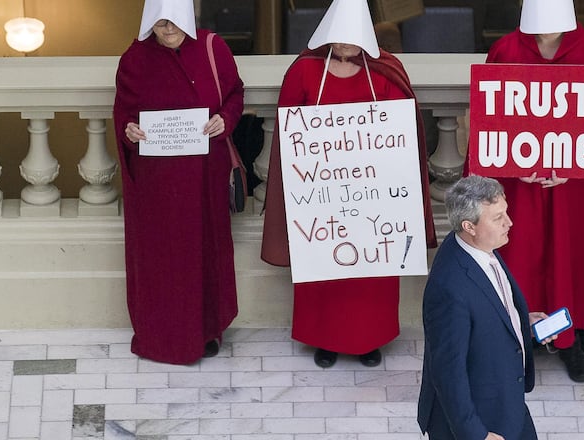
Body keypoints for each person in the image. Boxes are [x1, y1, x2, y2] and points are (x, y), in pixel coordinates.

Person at [261, 0, 437, 368]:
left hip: (374, 195)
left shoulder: (387, 71)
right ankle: (324, 339)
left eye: (353, 38)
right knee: (325, 267)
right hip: (322, 193)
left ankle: (368, 340)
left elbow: (402, 133)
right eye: (340, 39)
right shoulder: (304, 72)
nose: (346, 46)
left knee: (370, 272)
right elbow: (288, 133)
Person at [481, 0, 584, 382]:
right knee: (523, 259)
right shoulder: (505, 51)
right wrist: (517, 165)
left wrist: (574, 165)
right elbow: (491, 119)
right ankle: (520, 340)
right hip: (520, 187)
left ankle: (567, 341)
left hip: (575, 190)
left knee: (571, 260)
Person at [113, 0, 244, 365]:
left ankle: (208, 331)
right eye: (160, 25)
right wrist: (130, 130)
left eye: (173, 24)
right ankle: (162, 338)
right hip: (158, 185)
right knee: (163, 262)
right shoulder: (134, 59)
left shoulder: (212, 48)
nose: (167, 31)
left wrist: (225, 120)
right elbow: (123, 111)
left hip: (204, 177)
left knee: (206, 253)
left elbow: (235, 94)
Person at [418, 175, 553, 440]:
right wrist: (476, 434)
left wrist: (522, 321)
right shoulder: (448, 289)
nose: (509, 223)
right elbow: (447, 372)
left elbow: (487, 311)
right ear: (469, 225)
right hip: (480, 420)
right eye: (498, 217)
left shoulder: (479, 246)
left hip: (506, 402)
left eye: (506, 212)